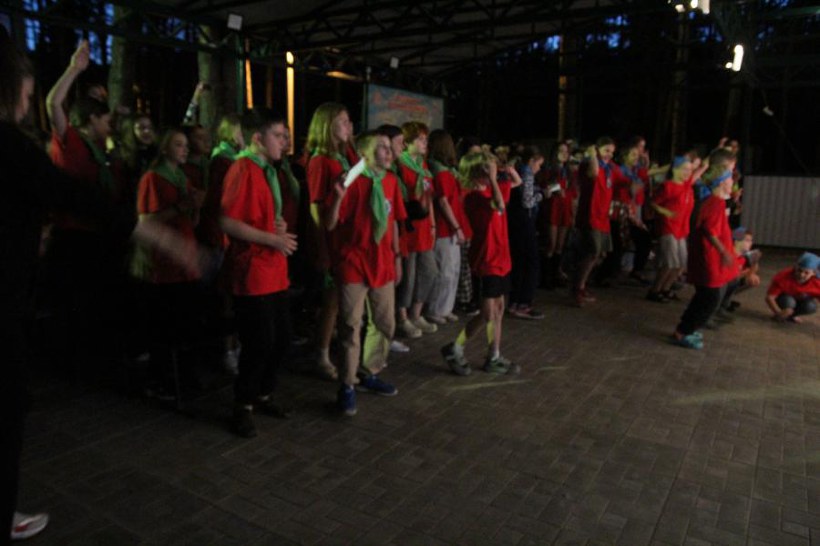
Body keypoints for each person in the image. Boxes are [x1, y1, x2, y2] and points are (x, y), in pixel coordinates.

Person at [1, 35, 193, 545]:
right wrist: (155, 234)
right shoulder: (28, 146)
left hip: (89, 245)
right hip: (64, 253)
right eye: (24, 93)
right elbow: (72, 190)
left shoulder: (100, 153)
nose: (27, 103)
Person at [220, 109, 297, 437]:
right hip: (253, 270)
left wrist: (276, 226)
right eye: (278, 135)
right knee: (259, 342)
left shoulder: (267, 170)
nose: (285, 142)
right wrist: (273, 238)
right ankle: (243, 405)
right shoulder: (243, 168)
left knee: (281, 339)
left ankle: (263, 393)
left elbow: (260, 215)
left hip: (273, 268)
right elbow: (228, 221)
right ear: (257, 138)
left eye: (285, 136)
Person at [325, 131, 407, 415]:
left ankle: (369, 371)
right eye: (381, 147)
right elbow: (330, 223)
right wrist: (337, 198)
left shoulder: (391, 181)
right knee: (350, 325)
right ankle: (347, 384)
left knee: (385, 323)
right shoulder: (351, 179)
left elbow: (392, 221)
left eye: (389, 147)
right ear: (364, 153)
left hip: (382, 262)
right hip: (354, 261)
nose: (389, 151)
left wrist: (397, 256)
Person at [440, 151, 519, 376]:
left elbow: (516, 183)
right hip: (486, 259)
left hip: (501, 257)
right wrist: (493, 178)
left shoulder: (493, 190)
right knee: (487, 313)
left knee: (499, 309)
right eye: (488, 169)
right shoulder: (473, 197)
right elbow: (499, 205)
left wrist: (504, 170)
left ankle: (494, 355)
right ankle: (455, 347)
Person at [671, 148, 739, 349]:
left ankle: (685, 328)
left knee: (705, 297)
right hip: (709, 260)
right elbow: (710, 231)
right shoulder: (714, 204)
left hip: (710, 258)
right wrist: (723, 251)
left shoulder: (715, 202)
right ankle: (684, 331)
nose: (733, 181)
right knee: (709, 298)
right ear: (721, 181)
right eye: (730, 176)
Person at [306, 102, 354, 380]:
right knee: (332, 300)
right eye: (343, 121)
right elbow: (315, 206)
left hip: (344, 235)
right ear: (327, 125)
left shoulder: (342, 156)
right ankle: (321, 354)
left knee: (339, 298)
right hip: (329, 237)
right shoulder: (320, 160)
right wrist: (322, 247)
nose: (349, 126)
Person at [571, 137, 630, 306]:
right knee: (592, 251)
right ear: (597, 149)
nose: (609, 155)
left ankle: (581, 285)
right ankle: (577, 288)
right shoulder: (589, 163)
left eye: (612, 152)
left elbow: (625, 181)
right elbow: (594, 173)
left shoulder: (610, 167)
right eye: (606, 150)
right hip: (589, 215)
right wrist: (592, 155)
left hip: (603, 216)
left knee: (598, 254)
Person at [396, 121, 439, 338]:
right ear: (407, 142)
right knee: (408, 276)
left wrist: (432, 223)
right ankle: (402, 317)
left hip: (424, 227)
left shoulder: (423, 166)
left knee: (429, 271)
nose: (425, 143)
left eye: (426, 139)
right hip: (410, 227)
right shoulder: (401, 166)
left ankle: (416, 313)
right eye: (420, 139)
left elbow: (429, 197)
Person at [646, 155, 706, 302]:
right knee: (669, 263)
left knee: (680, 265)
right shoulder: (668, 186)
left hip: (681, 229)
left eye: (689, 170)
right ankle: (655, 290)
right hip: (668, 228)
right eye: (685, 169)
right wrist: (665, 211)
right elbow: (652, 202)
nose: (688, 172)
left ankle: (665, 289)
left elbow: (700, 171)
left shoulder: (686, 185)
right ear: (675, 169)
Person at [426, 129, 467, 324]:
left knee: (453, 270)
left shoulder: (446, 171)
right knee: (444, 271)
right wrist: (457, 226)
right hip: (445, 227)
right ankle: (436, 309)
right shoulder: (441, 173)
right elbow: (443, 202)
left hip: (451, 226)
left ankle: (445, 307)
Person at [508, 145, 545, 319]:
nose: (539, 168)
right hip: (524, 221)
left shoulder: (516, 170)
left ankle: (514, 301)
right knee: (530, 262)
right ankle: (523, 303)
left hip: (516, 221)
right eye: (538, 164)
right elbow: (527, 201)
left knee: (519, 262)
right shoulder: (527, 174)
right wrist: (541, 195)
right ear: (531, 161)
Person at [538, 141, 577, 288]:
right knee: (551, 244)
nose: (564, 154)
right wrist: (556, 188)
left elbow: (573, 192)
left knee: (560, 245)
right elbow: (544, 186)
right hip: (552, 207)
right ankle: (545, 278)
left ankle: (555, 275)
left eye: (566, 151)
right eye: (561, 151)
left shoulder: (569, 171)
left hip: (565, 209)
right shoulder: (548, 169)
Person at [765, 252, 819, 323]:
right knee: (789, 301)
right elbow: (770, 297)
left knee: (811, 306)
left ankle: (790, 316)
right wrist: (778, 312)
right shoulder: (783, 276)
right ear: (795, 268)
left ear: (814, 273)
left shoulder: (817, 283)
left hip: (801, 301)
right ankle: (783, 314)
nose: (801, 275)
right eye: (799, 270)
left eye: (806, 273)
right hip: (784, 299)